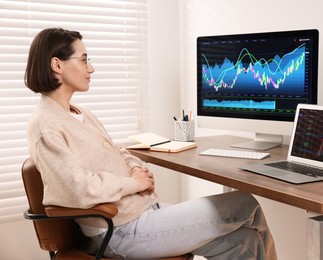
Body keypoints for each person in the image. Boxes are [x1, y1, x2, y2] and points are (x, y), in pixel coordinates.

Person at [24, 27, 277, 260]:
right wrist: (133, 184)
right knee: (246, 203)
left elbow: (117, 152)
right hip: (118, 231)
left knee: (245, 242)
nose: (91, 69)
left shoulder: (79, 113)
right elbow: (79, 188)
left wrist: (135, 168)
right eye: (84, 59)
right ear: (57, 64)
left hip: (143, 214)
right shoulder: (46, 125)